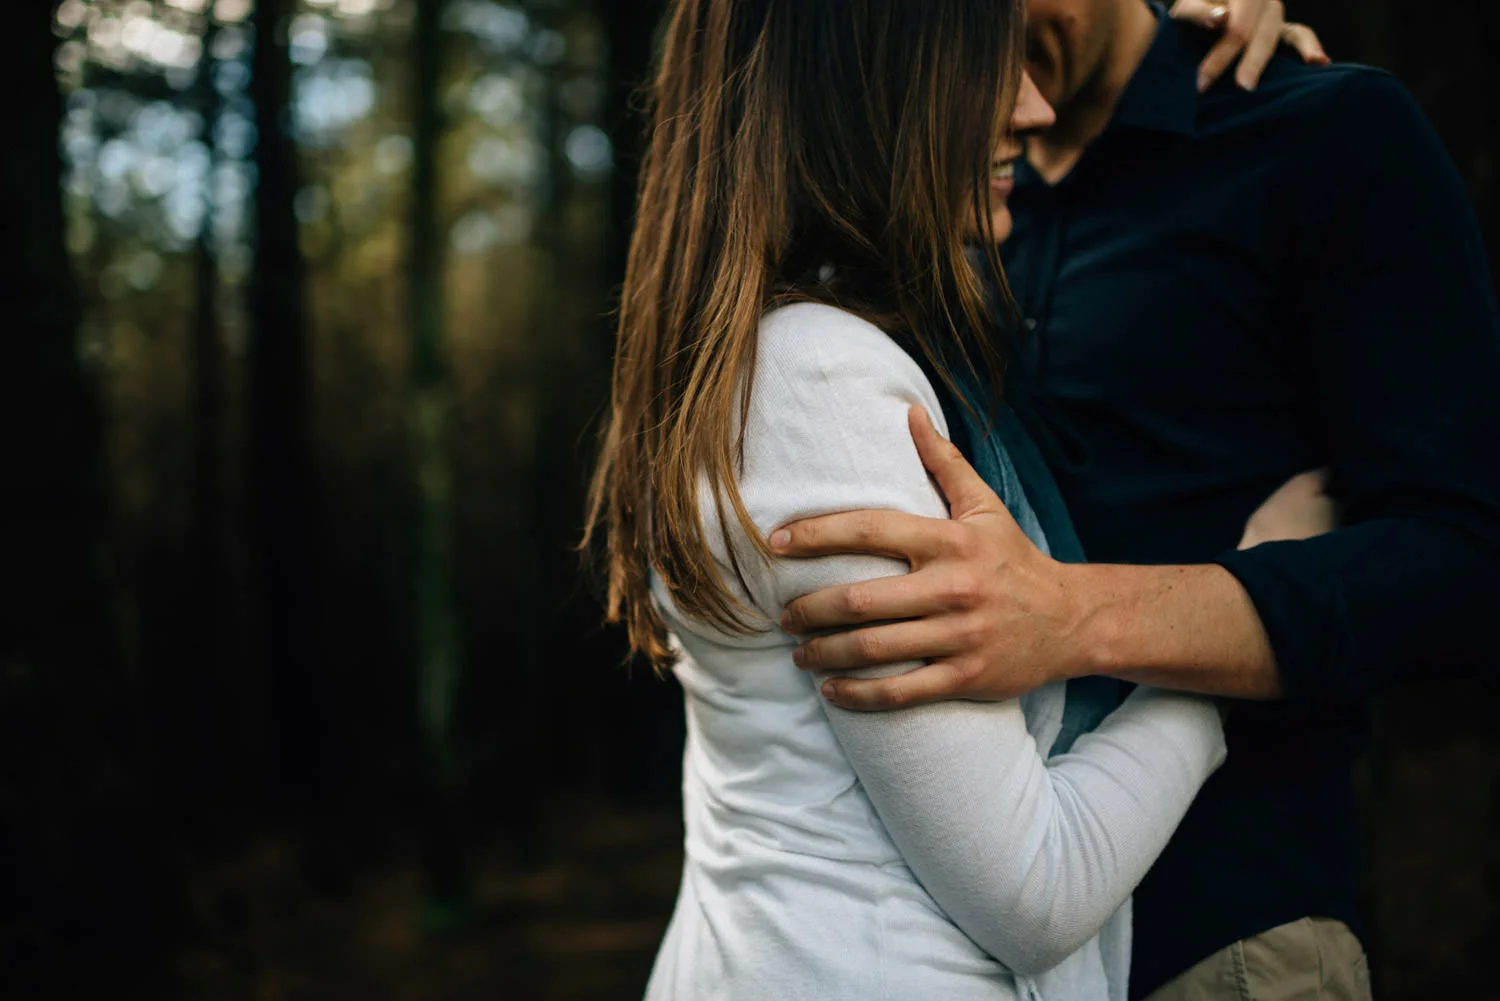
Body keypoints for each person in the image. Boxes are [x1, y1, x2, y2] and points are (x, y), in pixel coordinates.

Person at [771, 1, 1500, 999]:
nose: (999, 41)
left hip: (1226, 936)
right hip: (970, 949)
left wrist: (1081, 618)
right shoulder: (931, 187)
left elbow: (1465, 559)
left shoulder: (1322, 132)